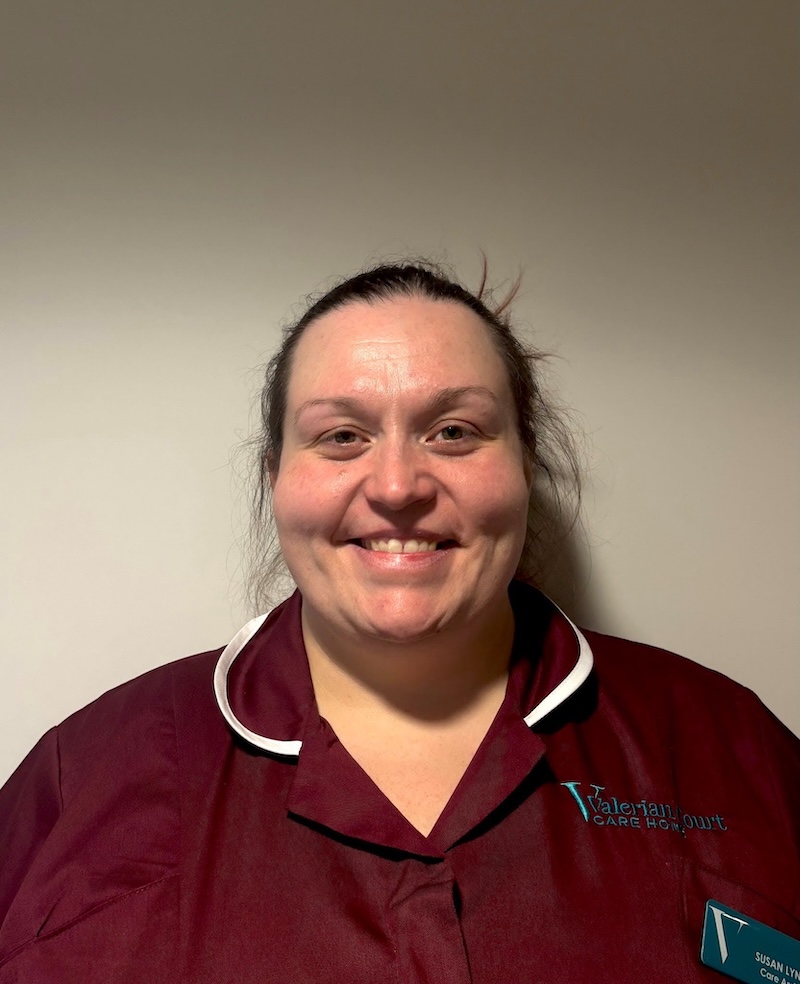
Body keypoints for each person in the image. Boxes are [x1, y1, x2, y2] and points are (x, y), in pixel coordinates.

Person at [0, 262, 798, 982]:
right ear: (275, 477)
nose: (396, 486)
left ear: (525, 465)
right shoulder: (83, 779)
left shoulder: (734, 747)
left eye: (453, 431)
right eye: (341, 436)